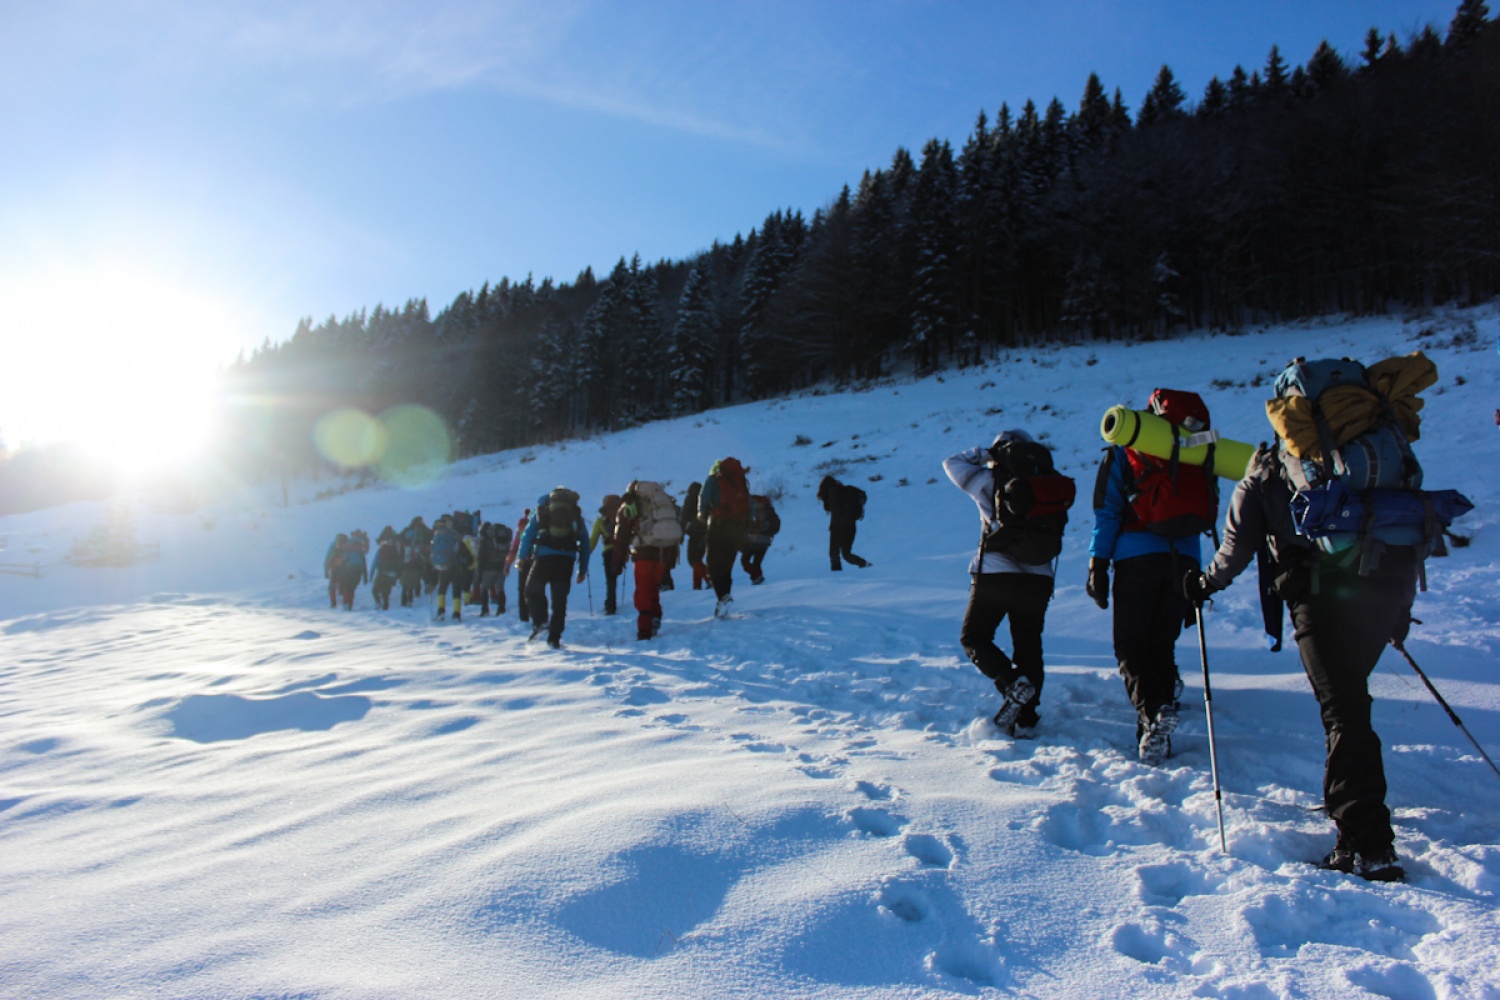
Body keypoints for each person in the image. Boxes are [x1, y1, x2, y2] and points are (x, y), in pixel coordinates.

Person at [1183, 357, 1437, 882]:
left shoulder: (1269, 467)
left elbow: (1236, 545)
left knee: (1344, 711)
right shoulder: (1382, 450)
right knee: (1349, 704)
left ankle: (1367, 843)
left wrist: (1204, 583)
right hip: (1387, 585)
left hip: (1318, 597)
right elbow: (1406, 524)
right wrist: (1399, 609)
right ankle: (1350, 813)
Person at [1088, 389, 1214, 765]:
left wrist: (1098, 564)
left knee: (1130, 645)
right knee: (1160, 644)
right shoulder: (1196, 450)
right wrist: (1198, 575)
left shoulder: (1126, 451)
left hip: (1137, 559)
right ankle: (1155, 732)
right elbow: (1203, 509)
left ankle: (1156, 712)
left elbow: (1107, 512)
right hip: (1185, 561)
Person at [944, 430, 1067, 736]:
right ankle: (1026, 718)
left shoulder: (989, 482)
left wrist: (984, 453)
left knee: (974, 638)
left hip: (995, 575)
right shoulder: (1049, 485)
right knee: (1029, 645)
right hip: (1040, 578)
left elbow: (952, 464)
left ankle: (1012, 683)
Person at [517, 488, 591, 648]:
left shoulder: (542, 511)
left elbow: (528, 535)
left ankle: (540, 622)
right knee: (559, 601)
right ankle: (554, 639)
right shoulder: (575, 516)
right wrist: (583, 569)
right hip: (566, 561)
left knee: (532, 590)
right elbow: (585, 542)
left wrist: (521, 557)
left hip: (544, 558)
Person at [614, 484, 669, 640]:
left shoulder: (630, 505)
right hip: (661, 552)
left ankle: (645, 628)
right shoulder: (656, 503)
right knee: (653, 586)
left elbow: (622, 533)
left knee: (643, 589)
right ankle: (655, 617)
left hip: (643, 552)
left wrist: (618, 559)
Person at [699, 458, 752, 617]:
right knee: (727, 565)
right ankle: (724, 598)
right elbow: (749, 504)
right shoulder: (741, 481)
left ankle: (722, 597)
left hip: (719, 524)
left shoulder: (714, 479)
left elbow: (704, 497)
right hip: (738, 526)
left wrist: (701, 514)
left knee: (713, 564)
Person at [817, 475, 870, 570]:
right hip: (851, 526)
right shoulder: (845, 491)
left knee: (834, 553)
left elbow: (831, 508)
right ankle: (864, 564)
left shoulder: (832, 492)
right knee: (846, 554)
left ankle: (837, 575)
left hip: (838, 526)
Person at [589, 494, 625, 615]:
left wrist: (585, 552)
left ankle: (610, 605)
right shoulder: (622, 517)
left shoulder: (600, 521)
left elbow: (593, 539)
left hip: (608, 551)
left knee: (610, 578)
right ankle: (611, 603)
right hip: (620, 550)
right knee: (614, 576)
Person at [739, 493, 781, 585]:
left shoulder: (751, 505)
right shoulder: (768, 507)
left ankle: (757, 577)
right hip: (766, 541)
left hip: (754, 539)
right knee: (756, 563)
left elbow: (748, 523)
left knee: (745, 561)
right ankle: (757, 579)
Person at [681, 482, 710, 590]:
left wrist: (681, 531)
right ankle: (697, 586)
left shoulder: (690, 498)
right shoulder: (706, 499)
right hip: (706, 532)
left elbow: (684, 515)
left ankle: (709, 579)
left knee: (692, 559)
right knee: (698, 559)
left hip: (695, 532)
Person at [508, 507, 532, 623]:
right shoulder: (535, 527)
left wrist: (507, 565)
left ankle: (524, 616)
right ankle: (536, 615)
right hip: (536, 562)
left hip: (523, 563)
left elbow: (513, 549)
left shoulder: (520, 532)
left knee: (522, 590)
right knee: (535, 590)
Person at [371, 527, 403, 611]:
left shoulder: (382, 550)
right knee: (385, 593)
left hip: (382, 572)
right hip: (392, 573)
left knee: (375, 590)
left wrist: (371, 574)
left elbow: (376, 562)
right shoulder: (395, 550)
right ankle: (385, 608)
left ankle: (378, 604)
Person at [324, 533, 350, 608]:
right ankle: (346, 602)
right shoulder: (348, 546)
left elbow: (328, 559)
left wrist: (326, 571)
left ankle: (333, 603)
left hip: (334, 568)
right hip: (345, 569)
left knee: (332, 586)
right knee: (345, 585)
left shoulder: (333, 546)